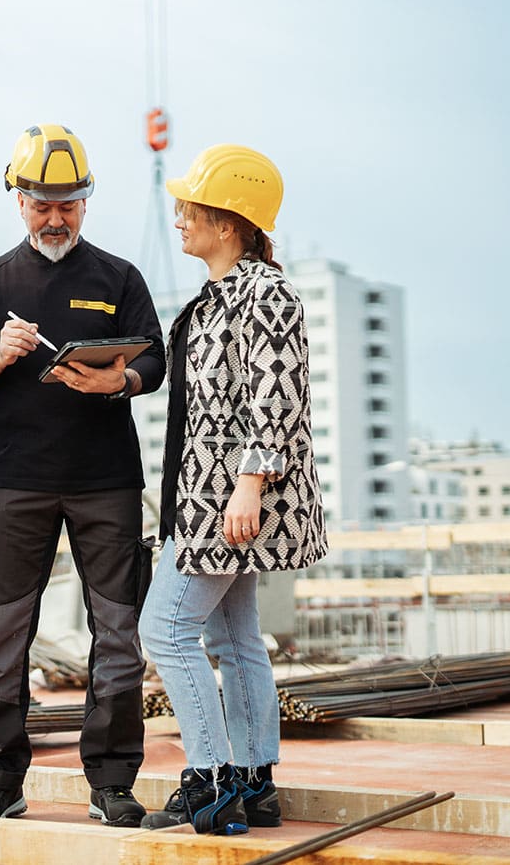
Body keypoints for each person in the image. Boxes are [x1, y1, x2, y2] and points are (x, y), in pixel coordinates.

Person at [0, 123, 166, 826]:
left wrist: (120, 380)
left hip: (108, 483)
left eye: (69, 203)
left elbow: (156, 361)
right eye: (42, 203)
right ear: (19, 200)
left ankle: (112, 785)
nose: (56, 217)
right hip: (17, 483)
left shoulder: (119, 277)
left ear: (86, 202)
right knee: (1, 636)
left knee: (119, 635)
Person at [138, 144, 328, 835]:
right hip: (212, 499)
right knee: (235, 635)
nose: (181, 218)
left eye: (192, 208)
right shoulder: (217, 298)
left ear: (230, 222)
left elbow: (277, 400)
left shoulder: (266, 294)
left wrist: (249, 485)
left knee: (164, 628)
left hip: (233, 503)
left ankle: (212, 779)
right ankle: (252, 780)